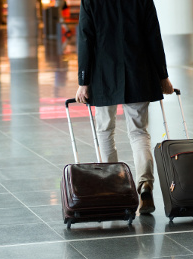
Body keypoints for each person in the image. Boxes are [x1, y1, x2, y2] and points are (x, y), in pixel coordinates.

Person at [75, 0, 174, 214]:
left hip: (103, 74)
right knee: (139, 132)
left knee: (104, 131)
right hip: (137, 71)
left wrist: (83, 81)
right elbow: (153, 38)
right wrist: (163, 76)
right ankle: (145, 184)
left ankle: (113, 188)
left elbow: (85, 38)